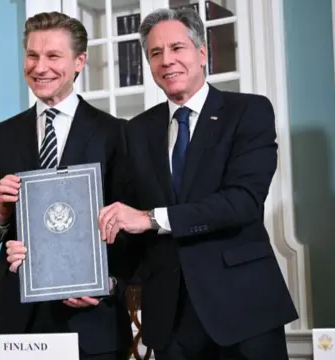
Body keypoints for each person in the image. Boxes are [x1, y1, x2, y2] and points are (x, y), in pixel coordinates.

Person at [97, 7, 298, 360]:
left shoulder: (248, 112)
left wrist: (153, 218)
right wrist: (103, 280)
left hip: (244, 310)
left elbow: (243, 202)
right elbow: (125, 221)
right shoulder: (136, 132)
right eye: (155, 53)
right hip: (170, 320)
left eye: (177, 48)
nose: (167, 60)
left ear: (202, 53)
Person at [0, 11, 132, 360]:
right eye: (32, 55)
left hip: (91, 321)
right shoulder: (2, 136)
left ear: (79, 62)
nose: (40, 67)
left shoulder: (115, 134)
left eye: (53, 56)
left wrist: (107, 285)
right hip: (17, 321)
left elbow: (133, 227)